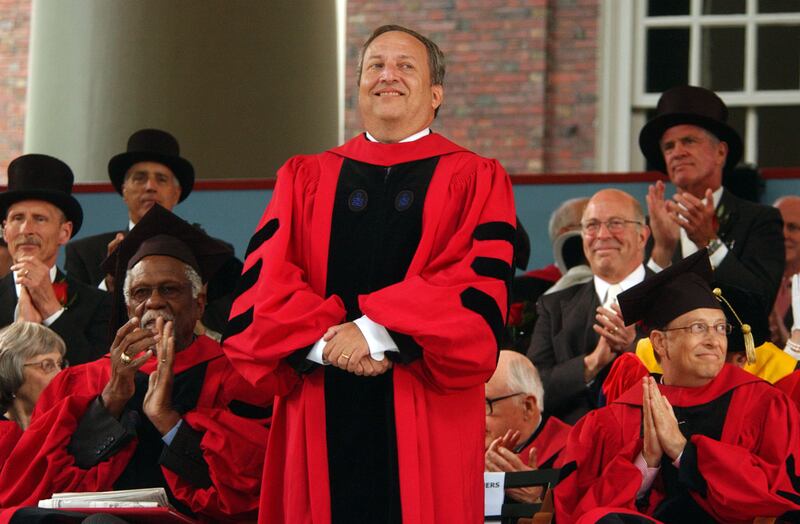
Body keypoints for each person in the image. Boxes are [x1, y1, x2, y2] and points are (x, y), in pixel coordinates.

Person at [222, 24, 515, 524]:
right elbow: (268, 279)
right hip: (321, 394)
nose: (388, 75)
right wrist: (326, 344)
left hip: (427, 406)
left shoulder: (476, 178)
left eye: (405, 65)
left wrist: (375, 333)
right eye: (375, 65)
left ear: (436, 94)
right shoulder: (305, 177)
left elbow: (474, 284)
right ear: (358, 86)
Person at [0, 205, 276, 521]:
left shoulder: (237, 379)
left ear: (199, 304)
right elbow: (44, 487)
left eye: (169, 290)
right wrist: (111, 401)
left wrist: (168, 421)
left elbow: (246, 493)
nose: (154, 302)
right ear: (128, 305)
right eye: (140, 292)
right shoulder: (82, 381)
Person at [554, 250, 800, 523]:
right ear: (660, 342)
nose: (714, 341)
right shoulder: (620, 415)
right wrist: (646, 462)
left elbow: (779, 495)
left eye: (720, 328)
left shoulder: (762, 404)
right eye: (698, 328)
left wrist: (684, 452)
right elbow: (580, 513)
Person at [64, 128, 242, 337]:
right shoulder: (86, 253)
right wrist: (110, 283)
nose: (150, 186)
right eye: (139, 178)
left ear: (176, 193)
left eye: (161, 179)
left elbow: (226, 326)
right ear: (124, 190)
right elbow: (76, 330)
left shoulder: (211, 255)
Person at [641, 85, 784, 316]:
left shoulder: (759, 220)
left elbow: (760, 304)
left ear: (720, 152)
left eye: (689, 141)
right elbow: (639, 317)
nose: (677, 152)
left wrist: (710, 242)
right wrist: (662, 251)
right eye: (669, 146)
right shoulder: (650, 228)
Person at [527, 189, 651, 424]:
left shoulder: (677, 297)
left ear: (642, 236)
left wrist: (634, 346)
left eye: (615, 223)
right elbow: (531, 390)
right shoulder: (553, 307)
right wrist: (591, 364)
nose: (602, 235)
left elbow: (693, 379)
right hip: (571, 443)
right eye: (592, 226)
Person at [0, 154, 111, 365]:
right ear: (5, 231)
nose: (26, 229)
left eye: (40, 219)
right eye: (17, 218)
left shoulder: (98, 304)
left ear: (64, 232)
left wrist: (52, 311)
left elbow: (96, 374)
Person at [484, 350, 570, 504]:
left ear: (527, 407)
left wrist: (539, 500)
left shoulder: (571, 453)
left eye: (485, 404)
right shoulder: (464, 451)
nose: (474, 418)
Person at [0, 322, 66, 430]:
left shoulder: (73, 427)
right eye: (47, 365)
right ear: (12, 371)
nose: (60, 373)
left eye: (60, 364)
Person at [770, 196, 800, 347]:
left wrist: (787, 341)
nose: (783, 234)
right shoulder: (751, 279)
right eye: (777, 226)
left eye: (792, 227)